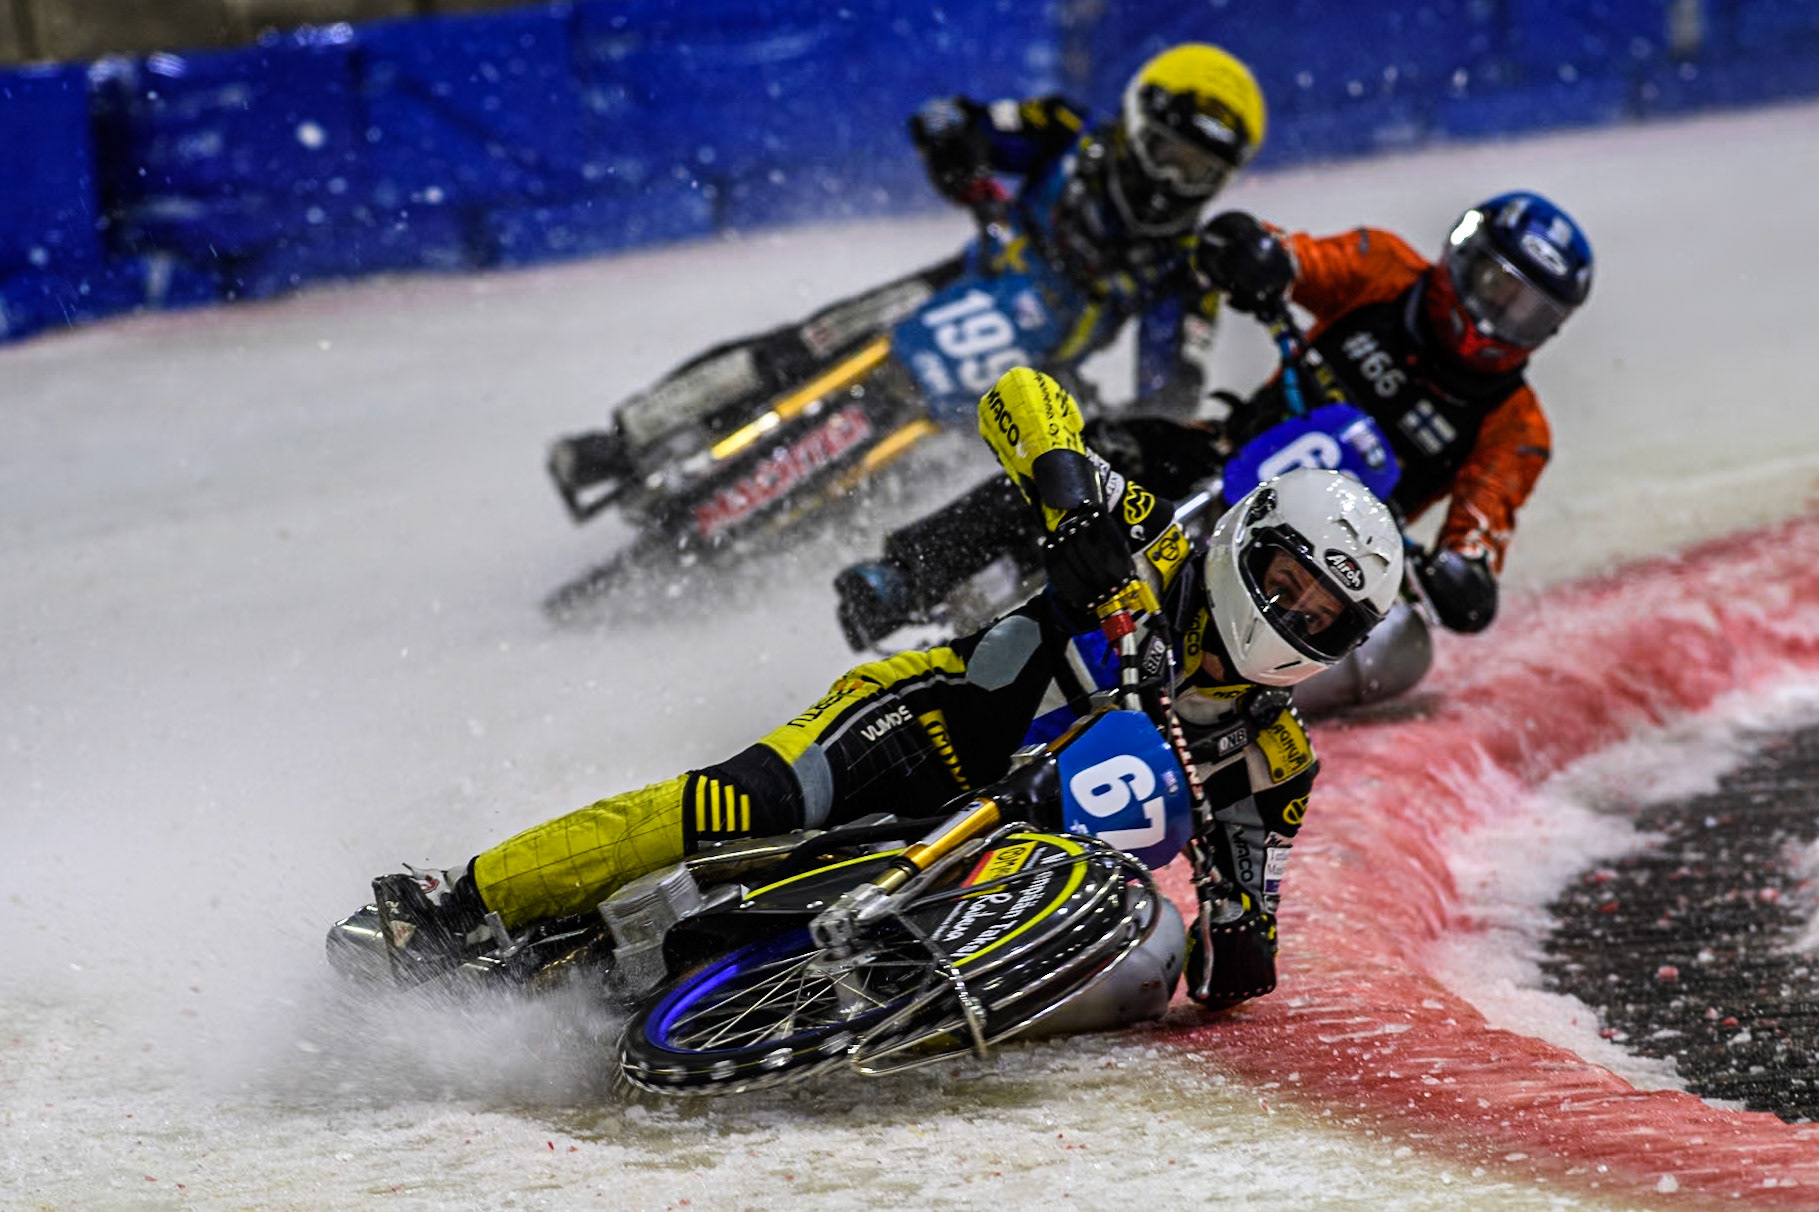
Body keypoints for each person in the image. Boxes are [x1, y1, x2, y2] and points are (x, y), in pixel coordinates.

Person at [374, 366, 1404, 1012]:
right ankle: (458, 903)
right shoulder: (1151, 535)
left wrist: (1239, 933)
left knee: (1131, 951)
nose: (1293, 617)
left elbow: (1243, 947)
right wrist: (1067, 506)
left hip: (1001, 860)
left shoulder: (1278, 763)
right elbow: (1022, 395)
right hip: (925, 729)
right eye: (1285, 583)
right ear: (1247, 546)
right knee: (740, 805)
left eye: (1321, 617)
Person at [834, 191, 1594, 648]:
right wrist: (1258, 258)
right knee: (1102, 447)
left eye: (1524, 306)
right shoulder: (1383, 270)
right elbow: (1298, 259)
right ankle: (904, 574)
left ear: (1549, 327)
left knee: (1359, 643)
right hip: (1228, 452)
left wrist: (1459, 573)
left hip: (1322, 558)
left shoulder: (1513, 426)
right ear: (1461, 259)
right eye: (1494, 284)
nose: (1495, 313)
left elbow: (1479, 534)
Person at [546, 43, 1269, 517]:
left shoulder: (1186, 264)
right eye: (1168, 153)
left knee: (925, 480)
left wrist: (1140, 420)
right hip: (956, 285)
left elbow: (1171, 380)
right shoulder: (1066, 131)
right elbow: (950, 118)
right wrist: (958, 153)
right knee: (794, 349)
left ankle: (778, 555)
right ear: (1141, 121)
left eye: (1197, 171)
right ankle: (625, 439)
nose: (1173, 180)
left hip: (1026, 375)